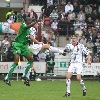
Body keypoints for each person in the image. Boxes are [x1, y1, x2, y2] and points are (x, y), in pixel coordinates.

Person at [4, 17, 42, 86]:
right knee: (16, 62)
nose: (31, 21)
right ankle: (7, 78)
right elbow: (28, 26)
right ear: (26, 20)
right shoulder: (23, 25)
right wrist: (36, 21)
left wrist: (32, 42)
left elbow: (28, 37)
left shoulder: (28, 30)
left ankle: (24, 75)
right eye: (30, 20)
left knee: (31, 59)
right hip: (18, 45)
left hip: (24, 46)